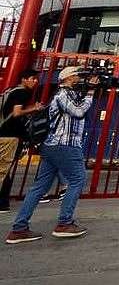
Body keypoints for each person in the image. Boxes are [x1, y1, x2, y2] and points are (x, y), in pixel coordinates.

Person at [6, 66, 96, 244]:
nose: (80, 78)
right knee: (77, 179)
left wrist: (88, 89)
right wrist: (91, 93)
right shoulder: (62, 94)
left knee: (40, 186)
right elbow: (78, 112)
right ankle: (64, 223)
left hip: (53, 146)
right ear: (67, 78)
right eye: (77, 75)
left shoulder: (71, 94)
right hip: (64, 145)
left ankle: (19, 228)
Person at [0, 69, 45, 213]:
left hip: (2, 132)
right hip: (10, 135)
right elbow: (17, 112)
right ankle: (2, 203)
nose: (35, 81)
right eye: (33, 78)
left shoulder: (10, 90)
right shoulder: (23, 92)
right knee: (4, 169)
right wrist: (34, 109)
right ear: (24, 79)